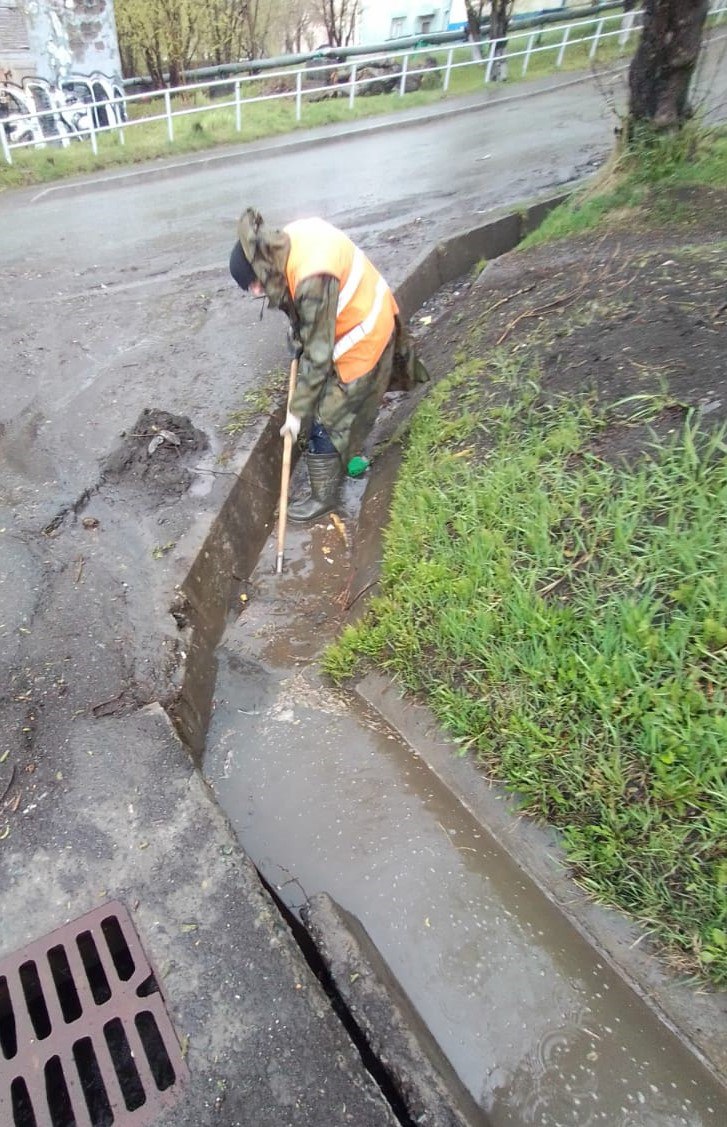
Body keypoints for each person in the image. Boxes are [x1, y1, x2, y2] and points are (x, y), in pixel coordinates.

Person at [229, 208, 428, 522]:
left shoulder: (312, 278)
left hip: (362, 335)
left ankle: (324, 498)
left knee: (326, 417)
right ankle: (349, 457)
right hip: (362, 310)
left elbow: (319, 358)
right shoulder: (288, 240)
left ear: (260, 273)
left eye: (254, 287)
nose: (256, 293)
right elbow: (304, 307)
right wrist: (299, 333)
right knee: (329, 402)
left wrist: (295, 414)